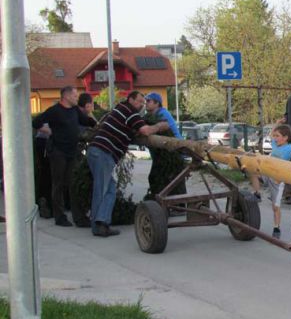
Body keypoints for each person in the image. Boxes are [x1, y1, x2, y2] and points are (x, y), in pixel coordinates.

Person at [87, 91, 168, 237]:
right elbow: (145, 130)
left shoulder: (119, 109)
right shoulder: (129, 111)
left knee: (110, 189)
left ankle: (102, 222)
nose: (141, 105)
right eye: (139, 101)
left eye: (143, 103)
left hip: (98, 152)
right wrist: (159, 126)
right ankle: (97, 225)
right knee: (102, 189)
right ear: (130, 99)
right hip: (103, 152)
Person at [32, 86, 97, 227]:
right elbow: (36, 122)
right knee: (59, 185)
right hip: (58, 152)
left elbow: (86, 121)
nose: (76, 98)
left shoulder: (74, 111)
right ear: (66, 96)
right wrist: (49, 131)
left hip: (72, 151)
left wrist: (98, 124)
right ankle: (59, 217)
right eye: (74, 95)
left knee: (73, 183)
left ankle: (79, 217)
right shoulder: (55, 111)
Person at [249, 124, 291, 239]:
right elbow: (271, 133)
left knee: (275, 207)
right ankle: (257, 194)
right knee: (254, 173)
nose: (275, 138)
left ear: (285, 138)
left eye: (278, 136)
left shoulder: (289, 148)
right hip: (267, 173)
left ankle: (276, 227)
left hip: (277, 180)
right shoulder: (274, 144)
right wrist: (277, 122)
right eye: (275, 136)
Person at [144, 92, 186, 200]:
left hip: (173, 151)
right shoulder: (149, 116)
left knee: (174, 178)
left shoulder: (162, 114)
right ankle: (161, 202)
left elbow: (159, 128)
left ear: (157, 103)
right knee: (156, 178)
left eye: (148, 101)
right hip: (161, 154)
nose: (146, 103)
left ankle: (178, 205)